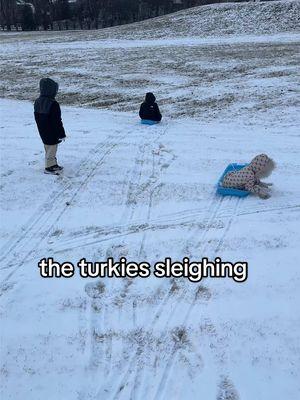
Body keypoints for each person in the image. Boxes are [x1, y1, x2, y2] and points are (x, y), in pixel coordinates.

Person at [34, 78, 66, 174]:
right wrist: (61, 133)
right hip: (52, 131)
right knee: (52, 148)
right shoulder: (53, 104)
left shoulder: (37, 101)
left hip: (42, 129)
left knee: (48, 147)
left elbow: (36, 117)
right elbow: (57, 121)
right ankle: (49, 167)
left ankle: (53, 163)